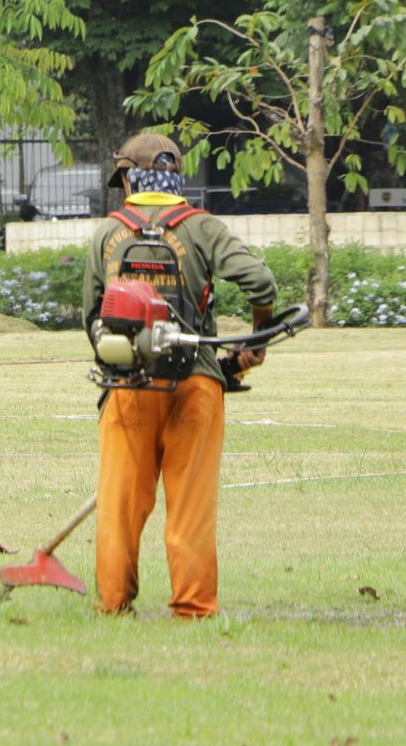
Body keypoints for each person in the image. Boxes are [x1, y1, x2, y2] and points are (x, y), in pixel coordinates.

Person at [83, 132, 277, 619]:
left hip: (128, 388)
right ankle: (192, 607)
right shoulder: (201, 227)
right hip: (196, 383)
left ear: (129, 176)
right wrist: (254, 343)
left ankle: (113, 603)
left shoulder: (108, 233)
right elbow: (261, 282)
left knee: (120, 504)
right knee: (190, 505)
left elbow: (91, 317)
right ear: (175, 175)